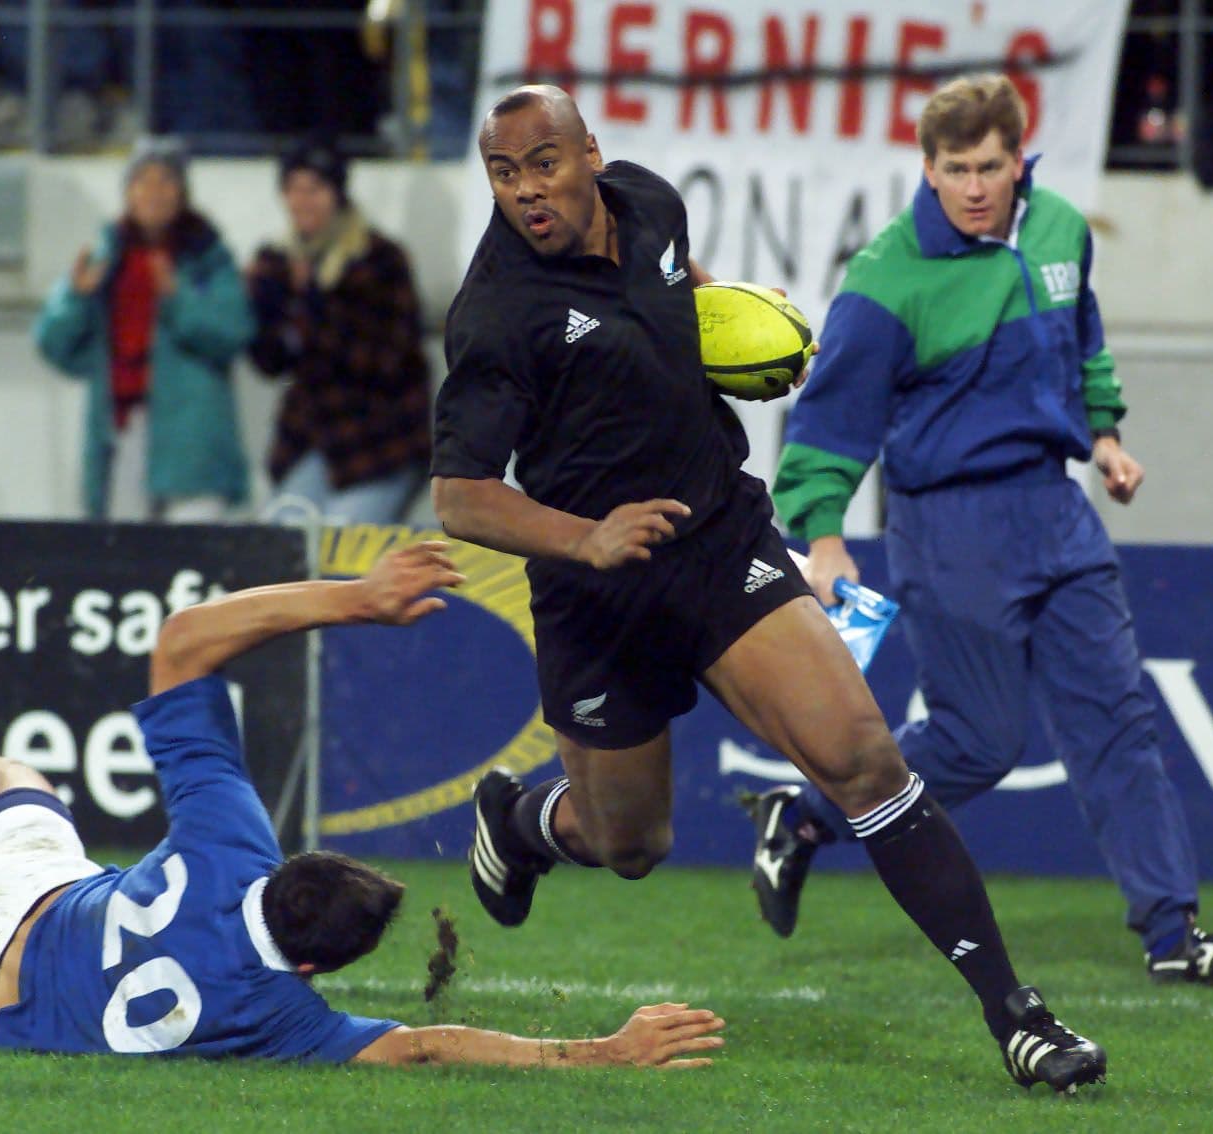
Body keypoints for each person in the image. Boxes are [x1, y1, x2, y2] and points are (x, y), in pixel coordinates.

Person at [431, 83, 1105, 1094]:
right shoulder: (497, 315)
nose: (525, 189)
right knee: (631, 840)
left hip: (714, 536)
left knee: (865, 761)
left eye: (543, 162)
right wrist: (590, 535)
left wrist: (752, 333)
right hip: (596, 589)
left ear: (590, 156)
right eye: (502, 170)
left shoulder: (648, 200)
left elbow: (681, 290)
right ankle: (523, 824)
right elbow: (461, 498)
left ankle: (1019, 1016)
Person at [0, 541, 725, 1069]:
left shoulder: (225, 841)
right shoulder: (278, 1018)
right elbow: (429, 1046)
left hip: (35, 903)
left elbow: (179, 641)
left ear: (284, 867)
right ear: (309, 964)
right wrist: (605, 1052)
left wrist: (353, 600)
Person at [764, 74, 1213, 985]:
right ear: (927, 167)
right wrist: (824, 532)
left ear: (1018, 157)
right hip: (946, 524)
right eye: (953, 168)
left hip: (1057, 508)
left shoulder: (1060, 231)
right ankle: (806, 815)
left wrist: (1106, 436)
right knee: (978, 742)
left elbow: (1084, 340)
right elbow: (830, 417)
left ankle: (1171, 936)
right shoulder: (887, 276)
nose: (971, 186)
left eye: (989, 166)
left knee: (1119, 723)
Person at [37, 136, 251, 522]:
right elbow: (55, 344)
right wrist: (77, 297)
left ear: (183, 193)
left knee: (194, 563)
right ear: (128, 192)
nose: (154, 192)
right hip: (122, 433)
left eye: (166, 181)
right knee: (127, 562)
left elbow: (234, 331)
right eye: (143, 181)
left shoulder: (208, 259)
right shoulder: (106, 258)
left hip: (192, 445)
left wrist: (177, 298)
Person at [248, 137, 432, 526]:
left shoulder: (380, 260)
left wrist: (313, 305)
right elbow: (269, 362)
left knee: (340, 550)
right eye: (293, 189)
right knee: (279, 534)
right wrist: (264, 312)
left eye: (314, 188)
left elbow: (383, 362)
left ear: (337, 193)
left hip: (381, 446)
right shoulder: (279, 262)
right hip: (315, 442)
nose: (303, 200)